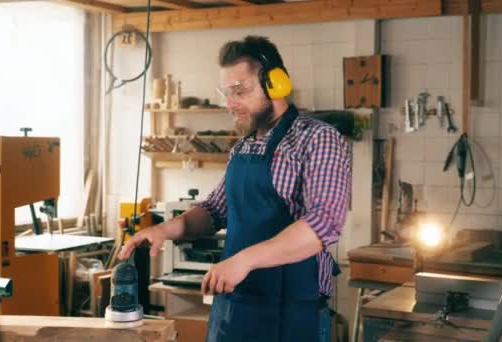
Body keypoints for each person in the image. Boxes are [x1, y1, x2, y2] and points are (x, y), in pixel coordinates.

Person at [119, 35, 351, 342]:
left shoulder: (318, 139)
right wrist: (166, 230)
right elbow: (215, 210)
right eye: (227, 92)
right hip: (233, 309)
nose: (230, 103)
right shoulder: (243, 146)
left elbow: (323, 223)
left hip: (290, 313)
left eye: (240, 91)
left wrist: (244, 260)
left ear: (275, 84)